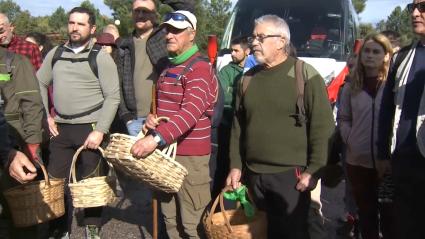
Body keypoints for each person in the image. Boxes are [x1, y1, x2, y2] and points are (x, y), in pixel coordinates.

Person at [226, 15, 334, 239]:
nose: (254, 42)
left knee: (291, 234)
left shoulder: (305, 75)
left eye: (261, 37)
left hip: (291, 178)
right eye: (253, 37)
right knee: (259, 233)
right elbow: (238, 127)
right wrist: (235, 165)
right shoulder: (247, 80)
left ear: (281, 41)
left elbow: (322, 129)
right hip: (253, 175)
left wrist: (314, 171)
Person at [131, 10, 217, 238]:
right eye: (168, 30)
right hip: (166, 155)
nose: (169, 35)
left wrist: (155, 138)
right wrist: (152, 118)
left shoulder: (199, 68)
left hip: (190, 157)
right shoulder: (169, 67)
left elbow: (190, 113)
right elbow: (161, 107)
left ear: (192, 34)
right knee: (170, 220)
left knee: (193, 225)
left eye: (177, 30)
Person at [37, 7, 120, 239]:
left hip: (90, 128)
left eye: (81, 24)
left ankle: (92, 228)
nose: (74, 28)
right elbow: (40, 82)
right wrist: (46, 115)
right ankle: (60, 227)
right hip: (60, 129)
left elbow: (113, 96)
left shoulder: (101, 58)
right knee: (56, 184)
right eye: (71, 23)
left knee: (91, 183)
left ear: (92, 28)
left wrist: (101, 130)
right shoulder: (55, 53)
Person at [116, 0, 193, 208]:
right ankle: (159, 218)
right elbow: (118, 82)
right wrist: (126, 116)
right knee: (149, 176)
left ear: (155, 14)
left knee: (167, 174)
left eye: (146, 11)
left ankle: (168, 219)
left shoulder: (163, 36)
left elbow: (187, 11)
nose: (141, 15)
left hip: (161, 117)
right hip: (135, 118)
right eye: (137, 11)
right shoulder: (123, 44)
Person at [337, 33, 394, 239]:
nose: (370, 56)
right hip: (357, 163)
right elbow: (343, 118)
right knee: (366, 215)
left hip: (386, 165)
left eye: (376, 51)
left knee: (389, 217)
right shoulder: (351, 85)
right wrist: (350, 138)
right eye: (366, 51)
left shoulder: (393, 86)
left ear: (387, 56)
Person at [378, 1, 425, 238]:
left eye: (423, 6)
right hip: (403, 162)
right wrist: (383, 154)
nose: (416, 13)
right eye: (412, 7)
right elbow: (387, 108)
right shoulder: (403, 57)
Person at [215, 36, 250, 195]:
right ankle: (217, 202)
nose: (232, 54)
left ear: (247, 51)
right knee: (223, 164)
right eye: (231, 50)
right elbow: (223, 96)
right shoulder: (226, 71)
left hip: (248, 128)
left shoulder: (254, 70)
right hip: (227, 125)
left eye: (236, 50)